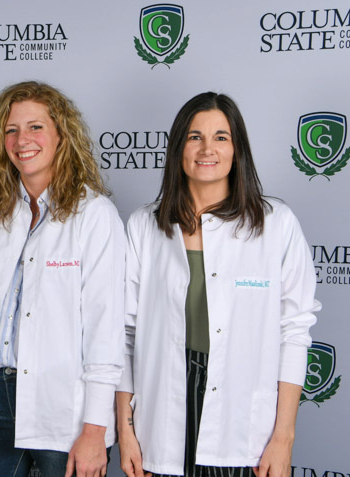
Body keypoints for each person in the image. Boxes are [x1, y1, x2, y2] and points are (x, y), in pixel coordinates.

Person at [116, 92, 320, 477]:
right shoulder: (144, 226)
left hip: (243, 419)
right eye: (195, 137)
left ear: (237, 149)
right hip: (161, 412)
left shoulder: (277, 224)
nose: (207, 149)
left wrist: (284, 437)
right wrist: (126, 432)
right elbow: (125, 335)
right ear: (178, 147)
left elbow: (294, 332)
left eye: (221, 137)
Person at [0, 81, 125, 477]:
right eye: (11, 129)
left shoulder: (95, 215)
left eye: (35, 127)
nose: (22, 140)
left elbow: (106, 329)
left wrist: (95, 430)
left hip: (65, 407)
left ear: (61, 135)